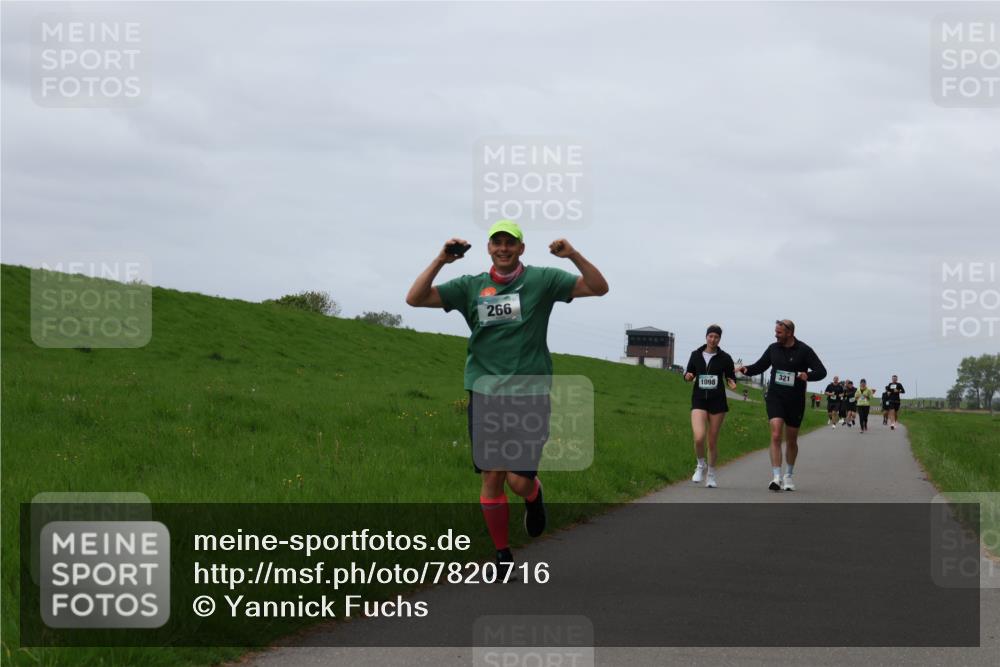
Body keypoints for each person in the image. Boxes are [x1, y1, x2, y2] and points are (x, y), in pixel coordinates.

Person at [405, 220, 608, 566]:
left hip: (530, 395)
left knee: (517, 481)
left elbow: (598, 287)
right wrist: (441, 260)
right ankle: (502, 554)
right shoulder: (470, 287)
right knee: (492, 475)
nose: (503, 248)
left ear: (520, 248)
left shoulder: (543, 280)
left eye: (510, 243)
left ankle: (534, 494)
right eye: (497, 242)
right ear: (489, 248)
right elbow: (415, 298)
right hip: (485, 393)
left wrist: (572, 254)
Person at [738, 320, 827, 492]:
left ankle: (788, 475)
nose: (776, 335)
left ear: (789, 333)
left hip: (795, 400)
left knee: (791, 440)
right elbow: (759, 366)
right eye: (775, 331)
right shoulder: (773, 349)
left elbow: (821, 371)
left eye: (779, 332)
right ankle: (776, 477)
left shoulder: (804, 350)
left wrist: (807, 375)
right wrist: (745, 369)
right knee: (776, 433)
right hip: (775, 397)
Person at [683, 325, 738, 488]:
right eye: (711, 336)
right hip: (699, 400)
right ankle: (701, 465)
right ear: (706, 337)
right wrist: (688, 376)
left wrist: (732, 382)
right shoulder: (696, 354)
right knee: (699, 437)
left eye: (716, 337)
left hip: (717, 402)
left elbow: (730, 376)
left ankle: (711, 475)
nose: (713, 340)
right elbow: (688, 373)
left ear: (720, 339)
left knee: (712, 441)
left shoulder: (725, 358)